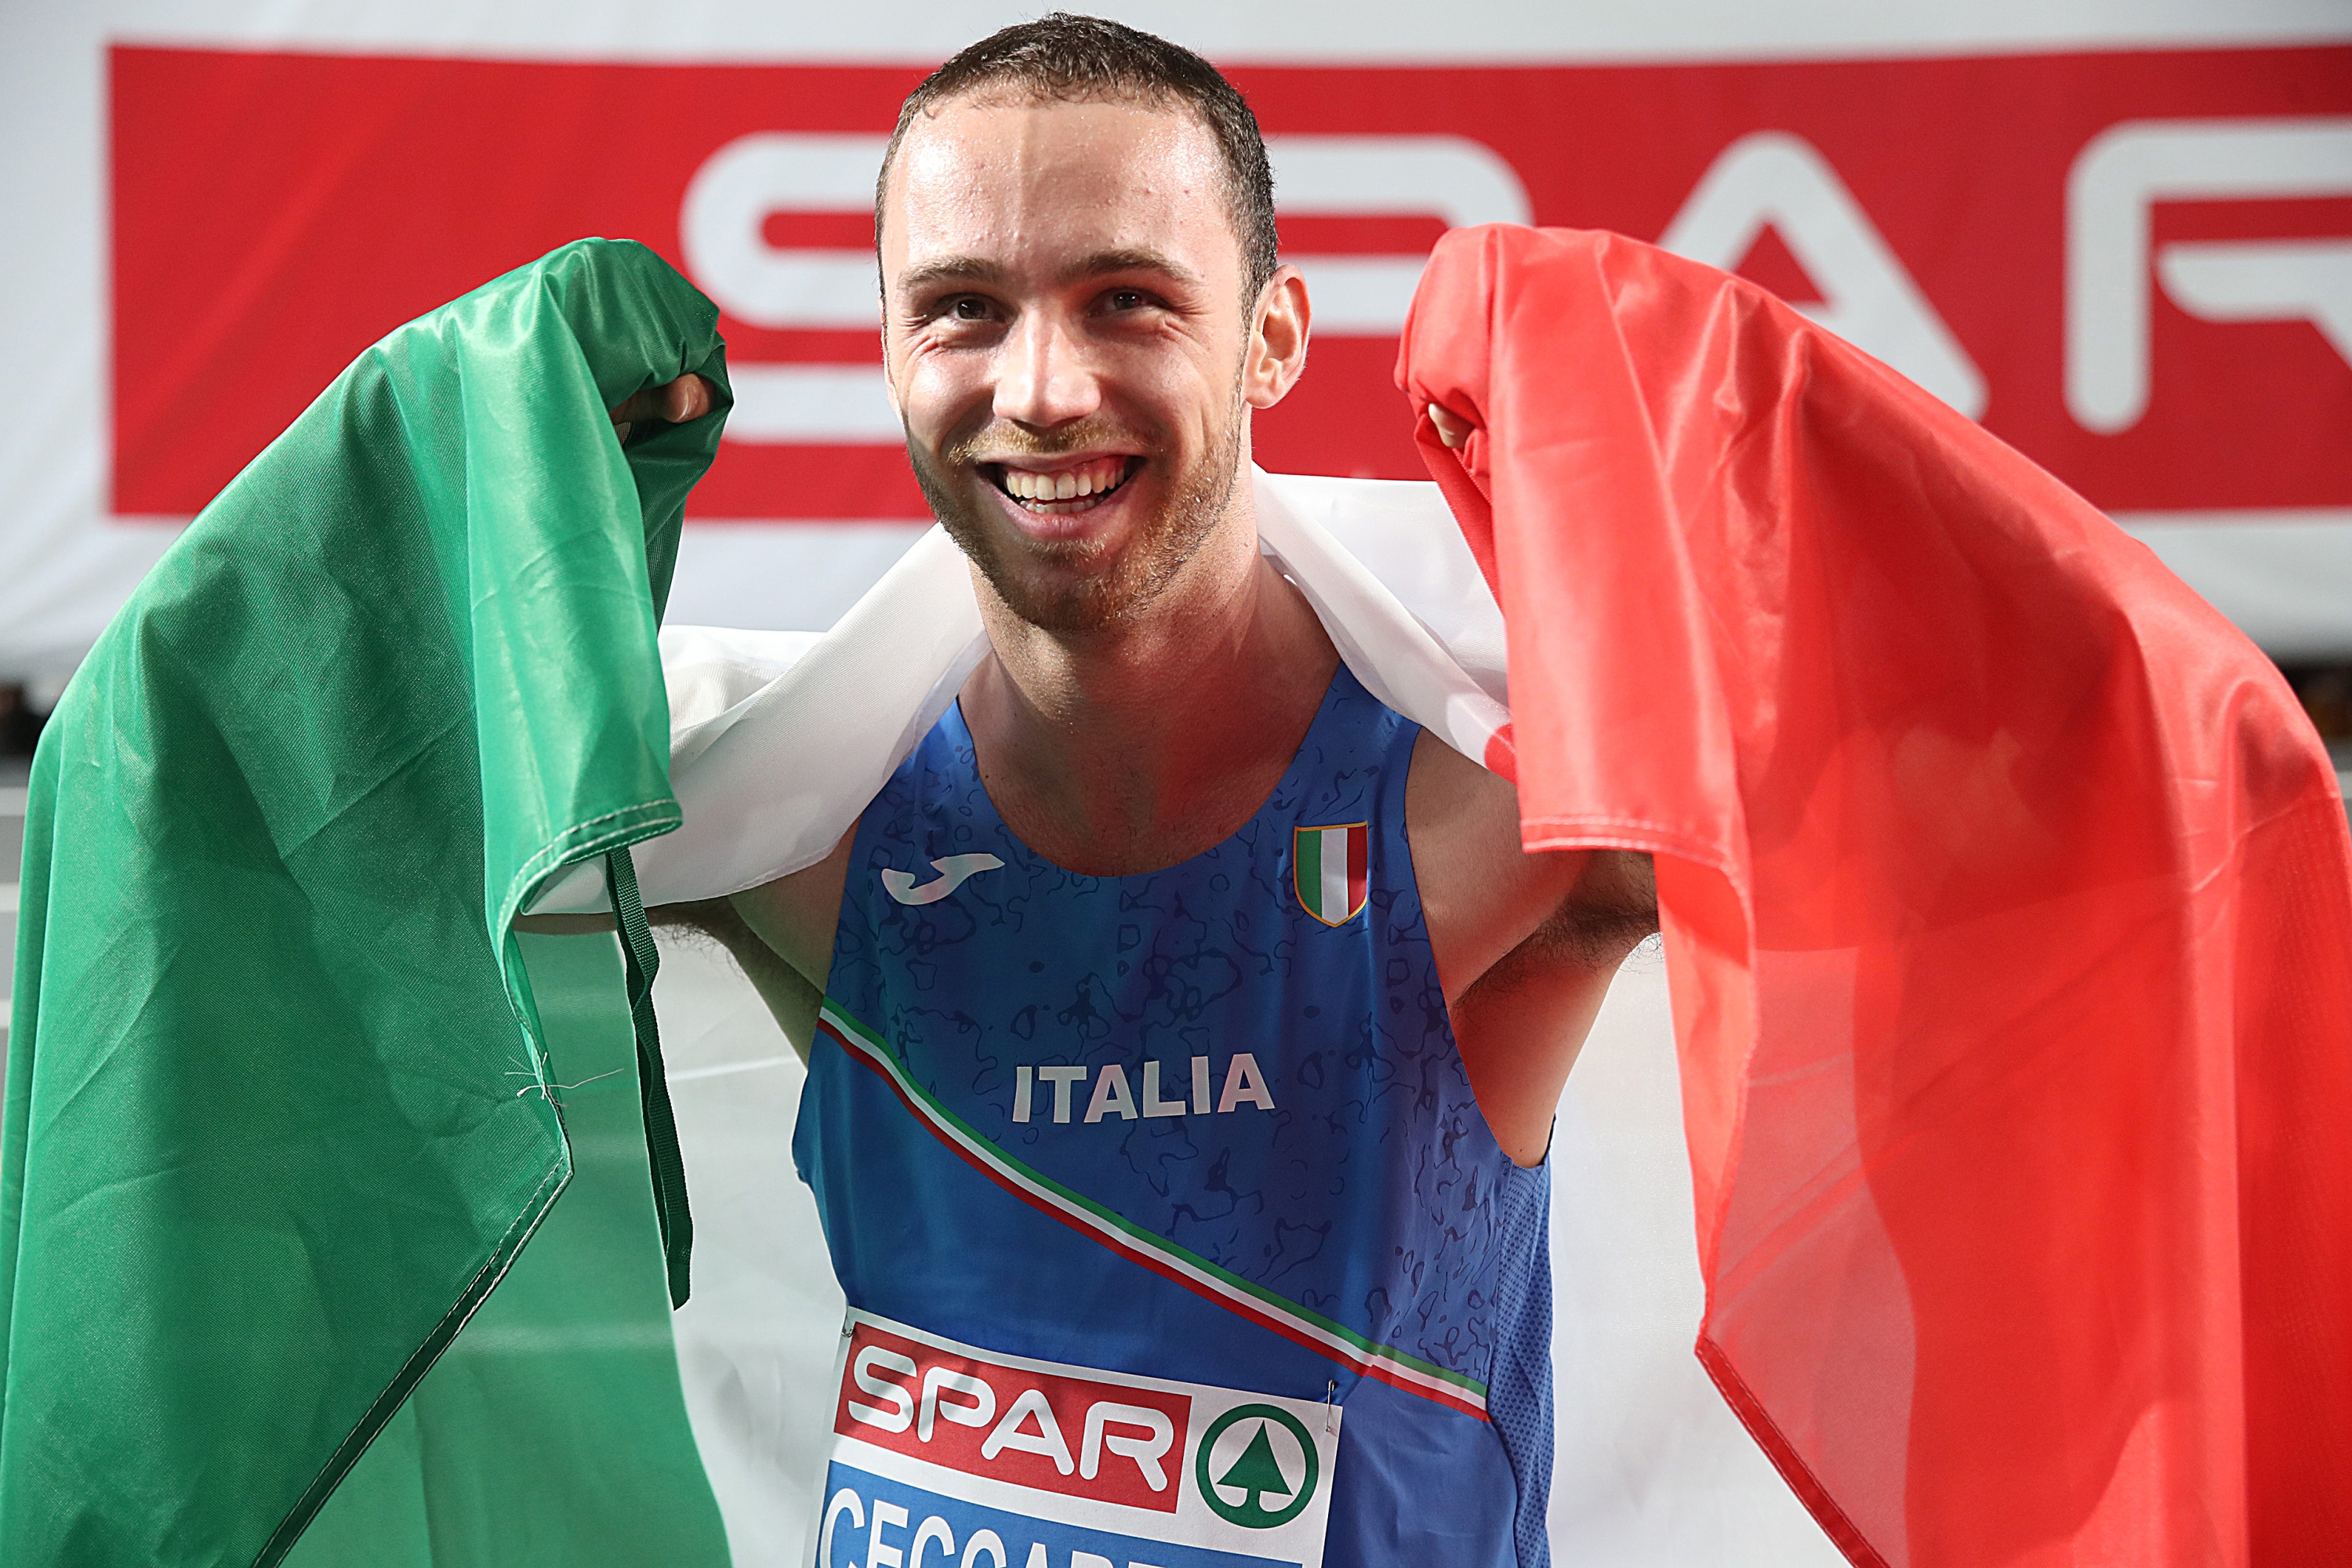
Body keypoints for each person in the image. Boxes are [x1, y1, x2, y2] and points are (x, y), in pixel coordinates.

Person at [602, 16, 1656, 1564]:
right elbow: (340, 816)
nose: (1041, 389)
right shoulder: (796, 827)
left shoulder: (1493, 824)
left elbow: (1962, 780)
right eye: (963, 309)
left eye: (1129, 300)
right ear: (889, 349)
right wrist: (543, 513)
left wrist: (1657, 464)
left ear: (1274, 338)